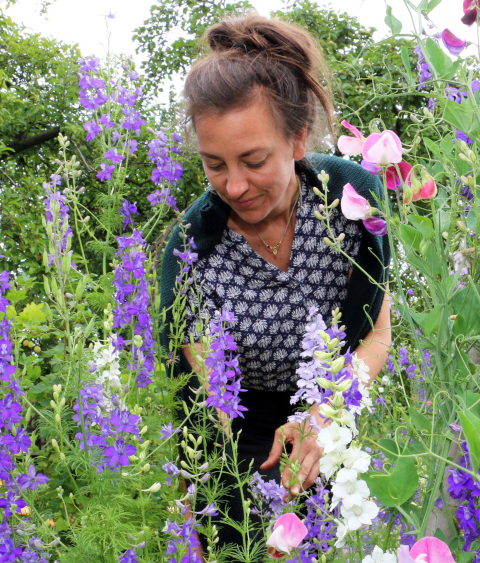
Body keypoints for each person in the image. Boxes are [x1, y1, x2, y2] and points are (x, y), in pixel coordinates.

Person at [156, 12, 392, 561]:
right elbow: (203, 397)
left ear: (297, 139)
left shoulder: (351, 200)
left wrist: (326, 416)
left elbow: (375, 336)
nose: (234, 185)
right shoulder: (193, 246)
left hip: (338, 405)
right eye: (215, 165)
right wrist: (208, 512)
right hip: (244, 429)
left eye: (254, 160)